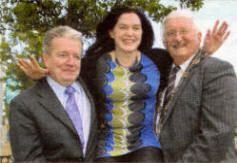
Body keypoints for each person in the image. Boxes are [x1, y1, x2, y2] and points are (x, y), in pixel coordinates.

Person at [16, 5, 229, 162]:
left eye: (136, 28)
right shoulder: (93, 62)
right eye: (123, 27)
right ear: (112, 31)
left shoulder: (157, 59)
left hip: (146, 144)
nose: (130, 33)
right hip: (107, 145)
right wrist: (46, 75)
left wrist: (203, 52)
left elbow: (185, 66)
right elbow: (69, 77)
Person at [155, 9, 237, 162]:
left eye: (184, 31)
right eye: (171, 33)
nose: (178, 38)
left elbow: (217, 134)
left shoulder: (217, 70)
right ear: (164, 42)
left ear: (199, 37)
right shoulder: (161, 75)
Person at [9, 26, 97, 162]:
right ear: (46, 59)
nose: (71, 62)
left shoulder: (91, 91)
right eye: (62, 55)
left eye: (76, 56)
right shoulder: (23, 105)